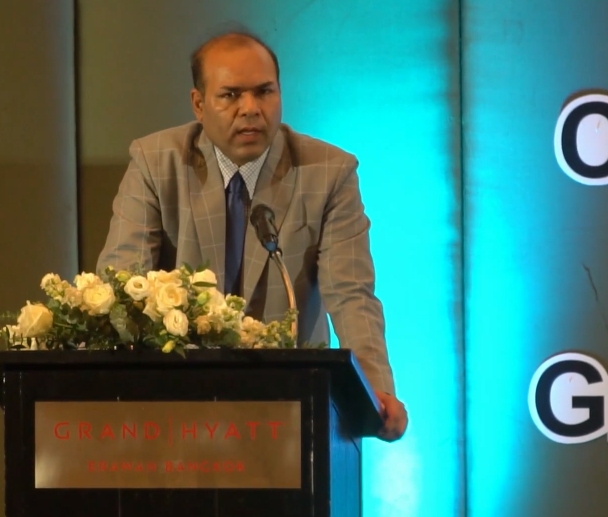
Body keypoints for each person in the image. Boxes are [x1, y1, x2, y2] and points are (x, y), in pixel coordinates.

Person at [97, 30, 407, 442]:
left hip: (291, 407)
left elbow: (352, 295)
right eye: (230, 95)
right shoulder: (156, 163)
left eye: (264, 92)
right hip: (176, 408)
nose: (251, 109)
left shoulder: (329, 173)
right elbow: (121, 284)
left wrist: (374, 390)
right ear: (199, 104)